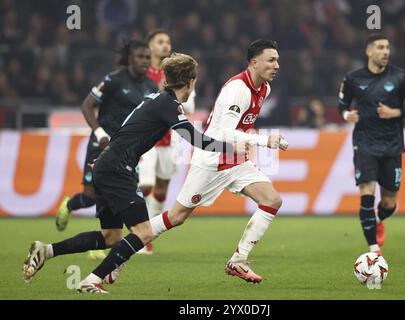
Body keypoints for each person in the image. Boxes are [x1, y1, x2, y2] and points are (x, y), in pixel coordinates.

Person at [22, 53, 246, 293]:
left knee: (110, 237)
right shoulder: (168, 105)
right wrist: (231, 147)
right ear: (191, 82)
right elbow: (194, 138)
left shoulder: (153, 98)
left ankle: (46, 250)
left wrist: (104, 159)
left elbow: (125, 126)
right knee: (144, 232)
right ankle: (91, 281)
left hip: (107, 165)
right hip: (118, 168)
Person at [128, 39, 286, 284]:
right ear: (254, 62)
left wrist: (252, 140)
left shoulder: (264, 89)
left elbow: (240, 127)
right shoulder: (238, 89)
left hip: (235, 159)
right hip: (212, 159)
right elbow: (223, 132)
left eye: (277, 60)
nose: (276, 65)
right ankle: (121, 254)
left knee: (272, 200)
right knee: (177, 217)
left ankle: (238, 261)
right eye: (271, 60)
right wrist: (264, 141)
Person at [54, 40, 158, 259]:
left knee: (121, 196)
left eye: (147, 57)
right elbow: (87, 105)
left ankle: (103, 241)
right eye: (140, 57)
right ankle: (70, 204)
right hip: (100, 145)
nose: (144, 61)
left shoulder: (150, 87)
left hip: (125, 153)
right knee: (91, 196)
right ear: (130, 58)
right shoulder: (114, 79)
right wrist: (100, 132)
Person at [338, 34, 405, 255]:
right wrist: (347, 114)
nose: (385, 51)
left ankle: (379, 218)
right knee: (367, 193)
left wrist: (396, 112)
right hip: (364, 143)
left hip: (392, 145)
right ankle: (373, 249)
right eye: (380, 47)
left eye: (387, 47)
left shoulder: (401, 77)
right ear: (369, 51)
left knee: (389, 202)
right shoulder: (353, 78)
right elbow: (342, 104)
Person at [137, 29, 196, 255]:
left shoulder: (178, 73)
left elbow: (189, 106)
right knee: (146, 185)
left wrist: (172, 94)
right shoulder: (141, 75)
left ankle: (147, 236)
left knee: (161, 188)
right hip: (147, 139)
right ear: (150, 46)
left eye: (167, 41)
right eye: (160, 41)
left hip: (170, 140)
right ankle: (134, 230)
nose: (165, 45)